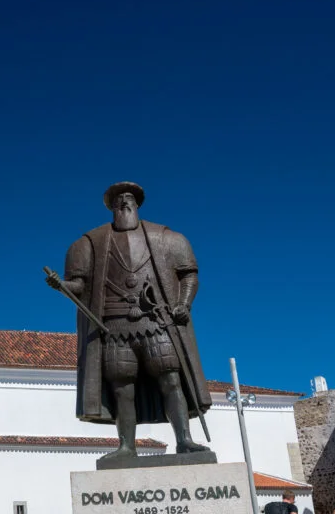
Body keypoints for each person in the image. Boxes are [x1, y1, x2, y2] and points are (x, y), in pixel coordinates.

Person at [46, 182, 212, 465]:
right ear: (111, 206)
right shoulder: (89, 243)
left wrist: (183, 304)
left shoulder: (167, 238)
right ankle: (126, 446)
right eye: (118, 200)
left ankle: (184, 439)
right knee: (122, 388)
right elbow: (79, 284)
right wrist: (62, 285)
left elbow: (188, 275)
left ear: (137, 203)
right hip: (114, 326)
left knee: (171, 379)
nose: (124, 203)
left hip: (156, 322)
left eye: (129, 199)